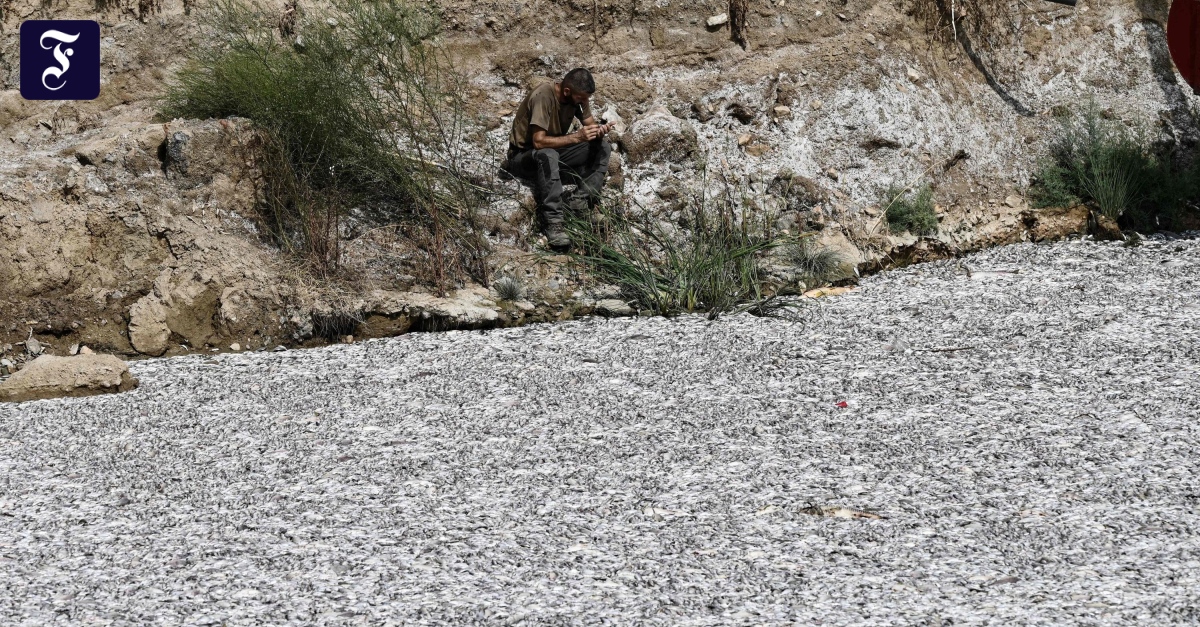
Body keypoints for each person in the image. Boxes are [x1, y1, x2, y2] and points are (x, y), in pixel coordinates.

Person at [504, 68, 613, 251]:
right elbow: (538, 142)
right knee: (548, 154)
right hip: (522, 157)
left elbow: (590, 126)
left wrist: (598, 131)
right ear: (567, 92)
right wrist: (577, 137)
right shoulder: (543, 96)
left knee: (603, 147)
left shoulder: (577, 99)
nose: (584, 102)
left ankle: (579, 202)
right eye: (581, 98)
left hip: (553, 150)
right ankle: (554, 222)